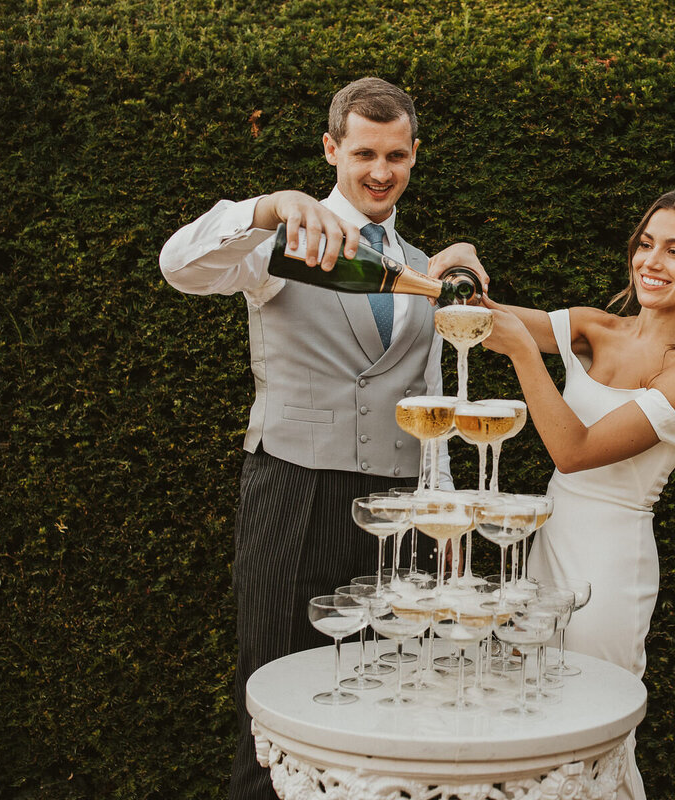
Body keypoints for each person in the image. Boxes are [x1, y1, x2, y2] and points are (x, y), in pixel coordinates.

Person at [158, 77, 485, 800]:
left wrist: (446, 513)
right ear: (332, 149)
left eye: (396, 155)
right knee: (275, 717)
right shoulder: (279, 240)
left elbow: (429, 404)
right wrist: (266, 207)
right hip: (294, 493)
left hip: (399, 512)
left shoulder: (426, 267)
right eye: (364, 152)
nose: (380, 171)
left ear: (414, 155)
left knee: (381, 714)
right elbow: (177, 265)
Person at [475, 188, 675, 800]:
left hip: (608, 567)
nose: (652, 261)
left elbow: (574, 452)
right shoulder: (597, 327)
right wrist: (456, 269)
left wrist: (523, 353)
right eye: (646, 244)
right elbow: (488, 317)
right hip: (545, 548)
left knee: (586, 740)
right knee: (526, 727)